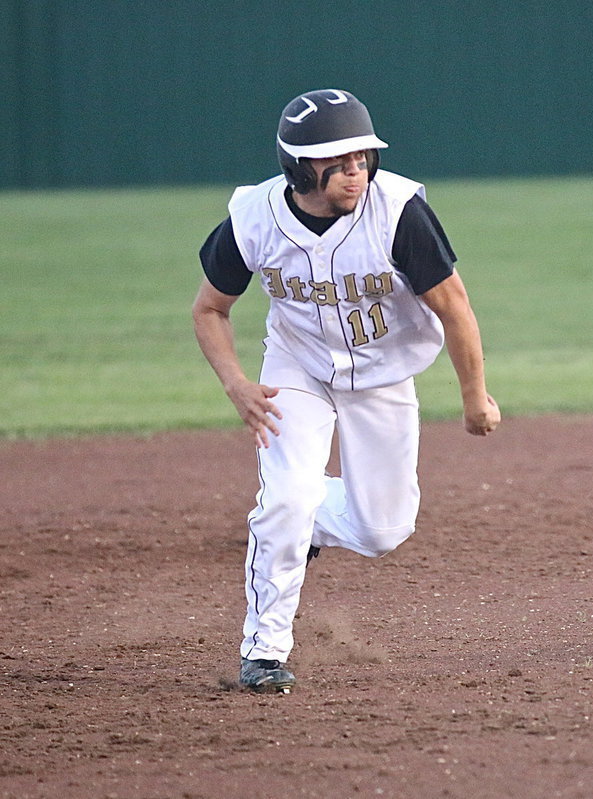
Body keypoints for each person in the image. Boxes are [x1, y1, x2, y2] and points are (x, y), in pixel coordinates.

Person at [192, 88, 501, 694]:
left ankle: (307, 521)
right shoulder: (253, 218)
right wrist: (236, 384)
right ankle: (264, 649)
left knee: (383, 530)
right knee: (284, 499)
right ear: (299, 167)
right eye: (340, 161)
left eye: (362, 157)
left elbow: (454, 305)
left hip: (384, 375)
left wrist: (475, 397)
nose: (356, 171)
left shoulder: (398, 212)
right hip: (296, 370)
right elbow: (209, 309)